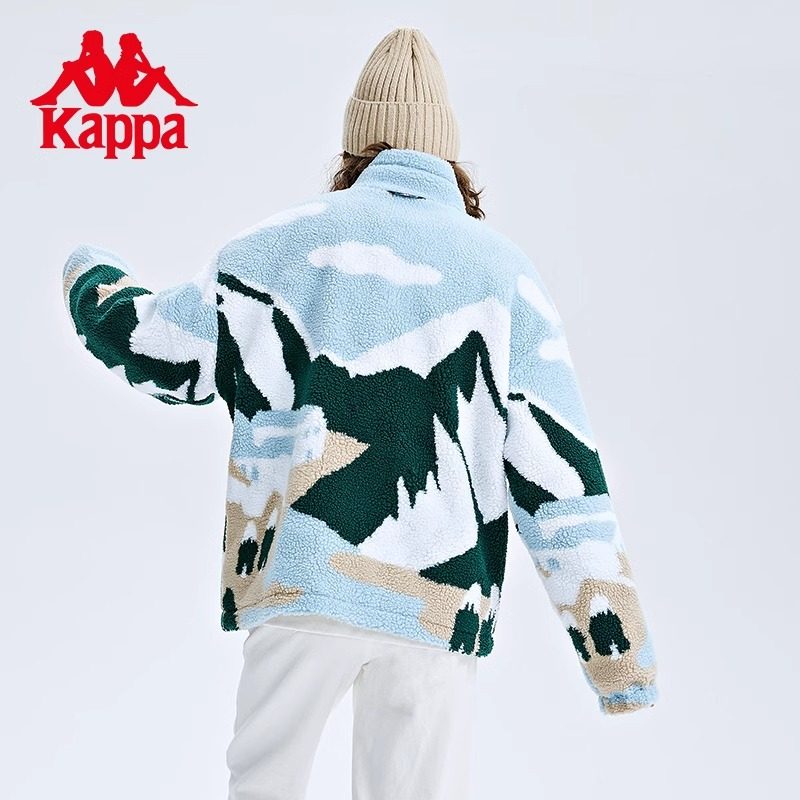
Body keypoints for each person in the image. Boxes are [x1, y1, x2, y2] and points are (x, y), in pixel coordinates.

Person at [61, 26, 659, 800]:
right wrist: (619, 661)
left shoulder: (273, 247)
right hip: (440, 607)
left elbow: (162, 353)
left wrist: (89, 279)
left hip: (302, 583)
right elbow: (562, 475)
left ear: (355, 146)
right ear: (448, 154)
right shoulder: (505, 277)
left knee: (264, 786)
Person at [30, 29, 115, 106]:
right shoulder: (99, 56)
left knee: (71, 69)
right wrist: (80, 55)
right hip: (98, 98)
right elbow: (80, 65)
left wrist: (73, 61)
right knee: (72, 69)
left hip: (97, 99)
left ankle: (51, 96)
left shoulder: (97, 57)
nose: (82, 43)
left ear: (92, 43)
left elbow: (77, 66)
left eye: (85, 41)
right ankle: (51, 96)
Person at [113, 32, 197, 107]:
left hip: (129, 99)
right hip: (131, 99)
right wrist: (140, 52)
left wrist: (140, 53)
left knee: (158, 73)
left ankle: (179, 99)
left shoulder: (129, 60)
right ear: (132, 45)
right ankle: (179, 99)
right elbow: (149, 70)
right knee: (158, 74)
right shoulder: (127, 61)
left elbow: (148, 69)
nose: (140, 42)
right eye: (137, 41)